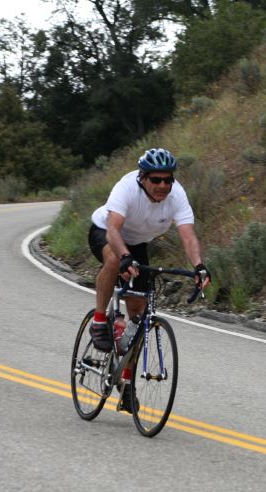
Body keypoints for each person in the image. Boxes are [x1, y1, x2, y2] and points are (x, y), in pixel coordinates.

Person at [87, 148, 211, 412]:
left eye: (168, 179)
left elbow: (188, 235)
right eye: (156, 180)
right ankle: (99, 320)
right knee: (112, 260)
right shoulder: (126, 187)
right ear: (142, 178)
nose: (163, 185)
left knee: (139, 317)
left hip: (138, 243)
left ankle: (127, 384)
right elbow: (113, 228)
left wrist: (199, 266)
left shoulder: (176, 195)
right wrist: (123, 257)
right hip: (106, 234)